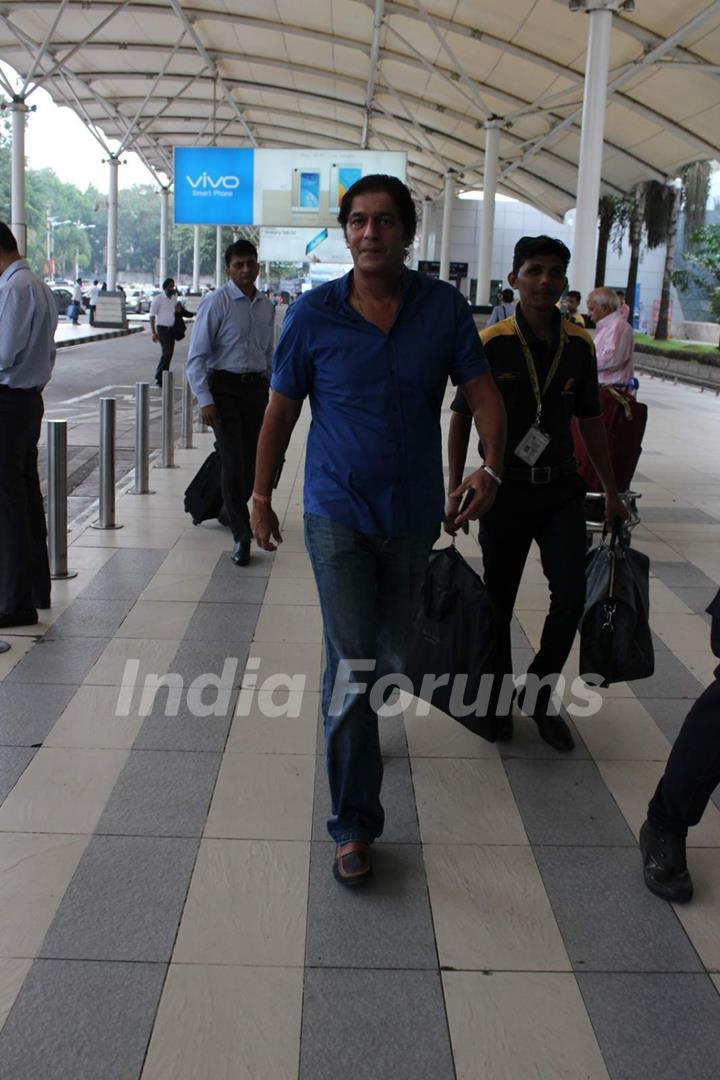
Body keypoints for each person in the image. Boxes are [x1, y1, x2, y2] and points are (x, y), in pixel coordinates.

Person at [251, 175, 506, 885]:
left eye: (385, 221)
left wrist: (491, 467)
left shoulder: (444, 309)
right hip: (337, 513)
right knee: (358, 659)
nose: (371, 233)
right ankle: (354, 825)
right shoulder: (312, 315)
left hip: (413, 514)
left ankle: (355, 717)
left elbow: (483, 394)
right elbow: (280, 411)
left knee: (383, 653)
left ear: (407, 232)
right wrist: (260, 493)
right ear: (344, 232)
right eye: (358, 221)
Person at [446, 236, 627, 752]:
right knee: (497, 600)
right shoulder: (493, 342)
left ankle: (540, 691)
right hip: (503, 491)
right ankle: (497, 699)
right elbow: (461, 418)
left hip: (563, 491)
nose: (544, 281)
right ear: (514, 279)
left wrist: (610, 491)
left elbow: (591, 421)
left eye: (554, 272)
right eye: (534, 271)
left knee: (570, 596)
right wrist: (454, 485)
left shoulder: (579, 345)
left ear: (564, 283)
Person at [187, 240, 274, 567]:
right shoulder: (217, 303)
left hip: (255, 390)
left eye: (251, 263)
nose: (246, 269)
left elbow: (268, 353)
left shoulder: (265, 306)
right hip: (223, 389)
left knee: (255, 461)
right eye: (239, 264)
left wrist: (271, 384)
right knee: (233, 461)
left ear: (258, 266)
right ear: (228, 268)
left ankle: (227, 507)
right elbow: (196, 358)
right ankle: (242, 534)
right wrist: (205, 401)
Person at [0, 223, 57, 627]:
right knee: (25, 500)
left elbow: (3, 352)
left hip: (8, 403)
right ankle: (37, 588)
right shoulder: (36, 284)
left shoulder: (14, 288)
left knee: (8, 508)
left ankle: (13, 602)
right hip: (27, 401)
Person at [587, 287, 635, 386]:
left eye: (591, 309)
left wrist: (582, 361)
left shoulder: (618, 327)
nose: (588, 314)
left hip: (611, 390)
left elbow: (611, 360)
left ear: (605, 308)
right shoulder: (607, 326)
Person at [149, 277, 192, 388]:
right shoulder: (158, 299)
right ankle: (159, 378)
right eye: (170, 286)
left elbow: (181, 312)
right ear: (165, 287)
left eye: (173, 286)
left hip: (171, 330)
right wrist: (153, 332)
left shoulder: (174, 300)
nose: (171, 288)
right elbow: (152, 316)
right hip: (162, 329)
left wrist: (192, 313)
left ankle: (164, 377)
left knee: (169, 354)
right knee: (166, 352)